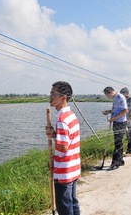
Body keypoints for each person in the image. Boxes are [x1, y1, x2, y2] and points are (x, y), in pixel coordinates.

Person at [46, 81, 81, 215]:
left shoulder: (61, 119)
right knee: (72, 202)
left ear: (63, 98)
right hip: (73, 167)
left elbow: (63, 147)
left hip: (64, 171)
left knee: (64, 207)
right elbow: (68, 142)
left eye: (53, 94)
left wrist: (53, 161)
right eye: (50, 93)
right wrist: (54, 134)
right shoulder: (71, 115)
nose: (50, 97)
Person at [102, 86, 128, 171]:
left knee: (118, 143)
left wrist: (115, 118)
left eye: (107, 95)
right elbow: (117, 109)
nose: (107, 97)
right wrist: (109, 112)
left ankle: (115, 163)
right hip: (116, 122)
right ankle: (120, 160)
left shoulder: (120, 97)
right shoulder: (115, 98)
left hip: (121, 123)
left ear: (109, 93)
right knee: (118, 142)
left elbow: (125, 110)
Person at [119, 87, 131, 156]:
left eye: (122, 94)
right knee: (127, 136)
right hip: (125, 120)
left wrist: (129, 118)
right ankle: (129, 150)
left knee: (130, 136)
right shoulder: (124, 100)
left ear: (126, 93)